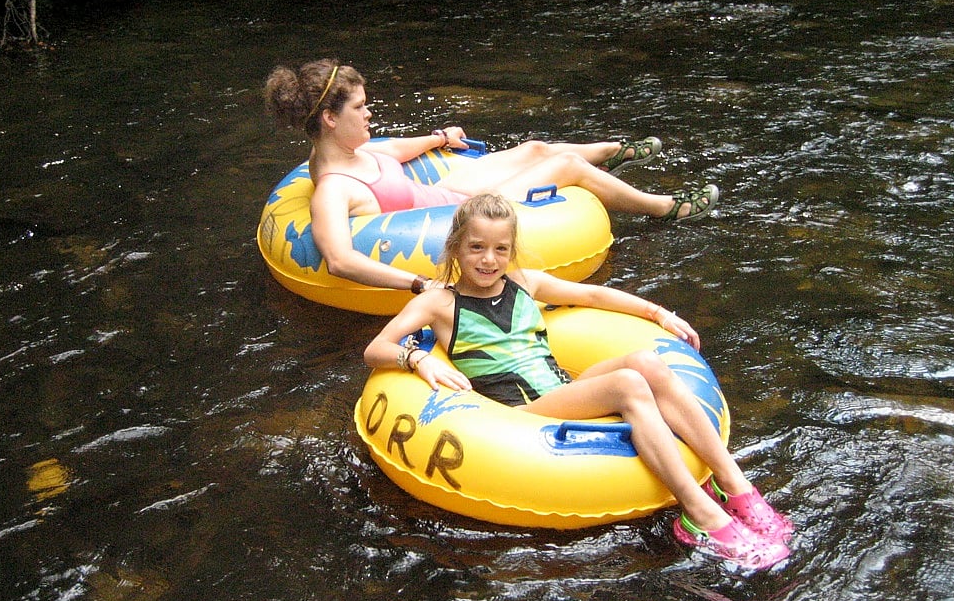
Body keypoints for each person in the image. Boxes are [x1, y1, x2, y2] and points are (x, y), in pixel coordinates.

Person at [364, 194, 793, 570]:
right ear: (456, 246)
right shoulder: (440, 302)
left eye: (500, 248)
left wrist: (660, 314)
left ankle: (733, 484)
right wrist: (415, 357)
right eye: (476, 247)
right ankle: (699, 512)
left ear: (512, 250)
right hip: (522, 413)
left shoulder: (524, 283)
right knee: (627, 384)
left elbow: (595, 296)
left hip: (563, 388)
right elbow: (376, 348)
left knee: (646, 361)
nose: (488, 260)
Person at [264, 59, 720, 295]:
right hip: (456, 214)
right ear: (328, 117)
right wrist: (418, 283)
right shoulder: (333, 188)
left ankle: (614, 152)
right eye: (360, 107)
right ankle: (664, 208)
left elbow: (397, 150)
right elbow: (340, 261)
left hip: (441, 190)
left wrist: (440, 137)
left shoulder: (356, 149)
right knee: (567, 168)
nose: (369, 114)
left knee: (536, 150)